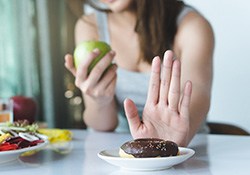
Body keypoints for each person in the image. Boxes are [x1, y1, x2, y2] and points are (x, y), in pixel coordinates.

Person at [64, 0, 214, 146]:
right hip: (123, 151)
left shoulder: (192, 25)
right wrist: (100, 101)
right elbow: (104, 127)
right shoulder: (90, 26)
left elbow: (198, 94)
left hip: (187, 148)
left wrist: (171, 139)